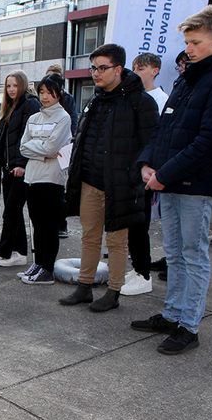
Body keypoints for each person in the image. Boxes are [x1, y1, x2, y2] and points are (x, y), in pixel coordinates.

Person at [132, 5, 212, 355]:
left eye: (196, 42)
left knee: (193, 255)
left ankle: (189, 325)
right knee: (174, 254)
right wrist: (147, 164)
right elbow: (164, 129)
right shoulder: (187, 78)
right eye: (187, 42)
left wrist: (164, 174)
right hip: (167, 182)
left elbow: (211, 140)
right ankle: (173, 315)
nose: (188, 48)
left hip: (195, 186)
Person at [59, 43, 159, 312]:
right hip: (91, 182)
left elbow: (150, 144)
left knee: (116, 242)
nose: (96, 73)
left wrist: (133, 177)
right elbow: (83, 141)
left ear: (118, 68)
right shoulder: (96, 100)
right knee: (89, 236)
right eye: (93, 68)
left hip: (121, 186)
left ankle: (113, 292)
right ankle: (84, 287)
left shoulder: (141, 102)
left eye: (102, 68)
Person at [119, 53, 171, 296]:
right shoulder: (130, 98)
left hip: (146, 171)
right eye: (134, 68)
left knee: (141, 222)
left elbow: (159, 137)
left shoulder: (161, 100)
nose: (137, 72)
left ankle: (143, 273)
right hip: (129, 169)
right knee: (132, 222)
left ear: (155, 70)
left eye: (142, 68)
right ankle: (138, 267)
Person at [0, 70, 41, 267]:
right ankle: (19, 253)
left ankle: (3, 252)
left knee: (11, 212)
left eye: (15, 85)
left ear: (23, 84)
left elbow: (28, 136)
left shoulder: (30, 104)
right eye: (8, 86)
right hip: (9, 167)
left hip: (21, 168)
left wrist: (21, 164)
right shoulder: (11, 105)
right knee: (13, 211)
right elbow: (3, 135)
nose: (11, 89)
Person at [18, 73, 72, 284]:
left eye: (50, 92)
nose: (45, 96)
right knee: (37, 224)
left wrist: (39, 148)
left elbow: (53, 147)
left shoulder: (63, 117)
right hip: (32, 177)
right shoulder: (34, 118)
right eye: (42, 92)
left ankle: (47, 268)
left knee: (49, 225)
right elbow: (23, 147)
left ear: (59, 93)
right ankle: (38, 263)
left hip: (51, 179)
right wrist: (43, 151)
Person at [45, 63, 77, 240]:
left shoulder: (68, 99)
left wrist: (66, 145)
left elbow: (73, 122)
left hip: (63, 147)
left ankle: (61, 224)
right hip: (46, 148)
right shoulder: (42, 98)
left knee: (60, 187)